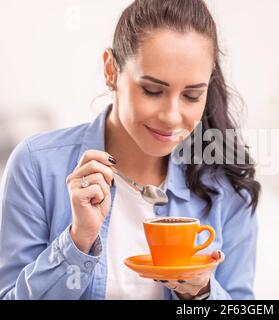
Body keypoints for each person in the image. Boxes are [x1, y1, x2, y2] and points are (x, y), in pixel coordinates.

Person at [0, 0, 260, 300]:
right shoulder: (37, 164)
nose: (171, 116)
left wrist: (201, 293)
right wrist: (77, 241)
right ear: (111, 70)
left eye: (191, 95)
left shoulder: (227, 186)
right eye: (152, 90)